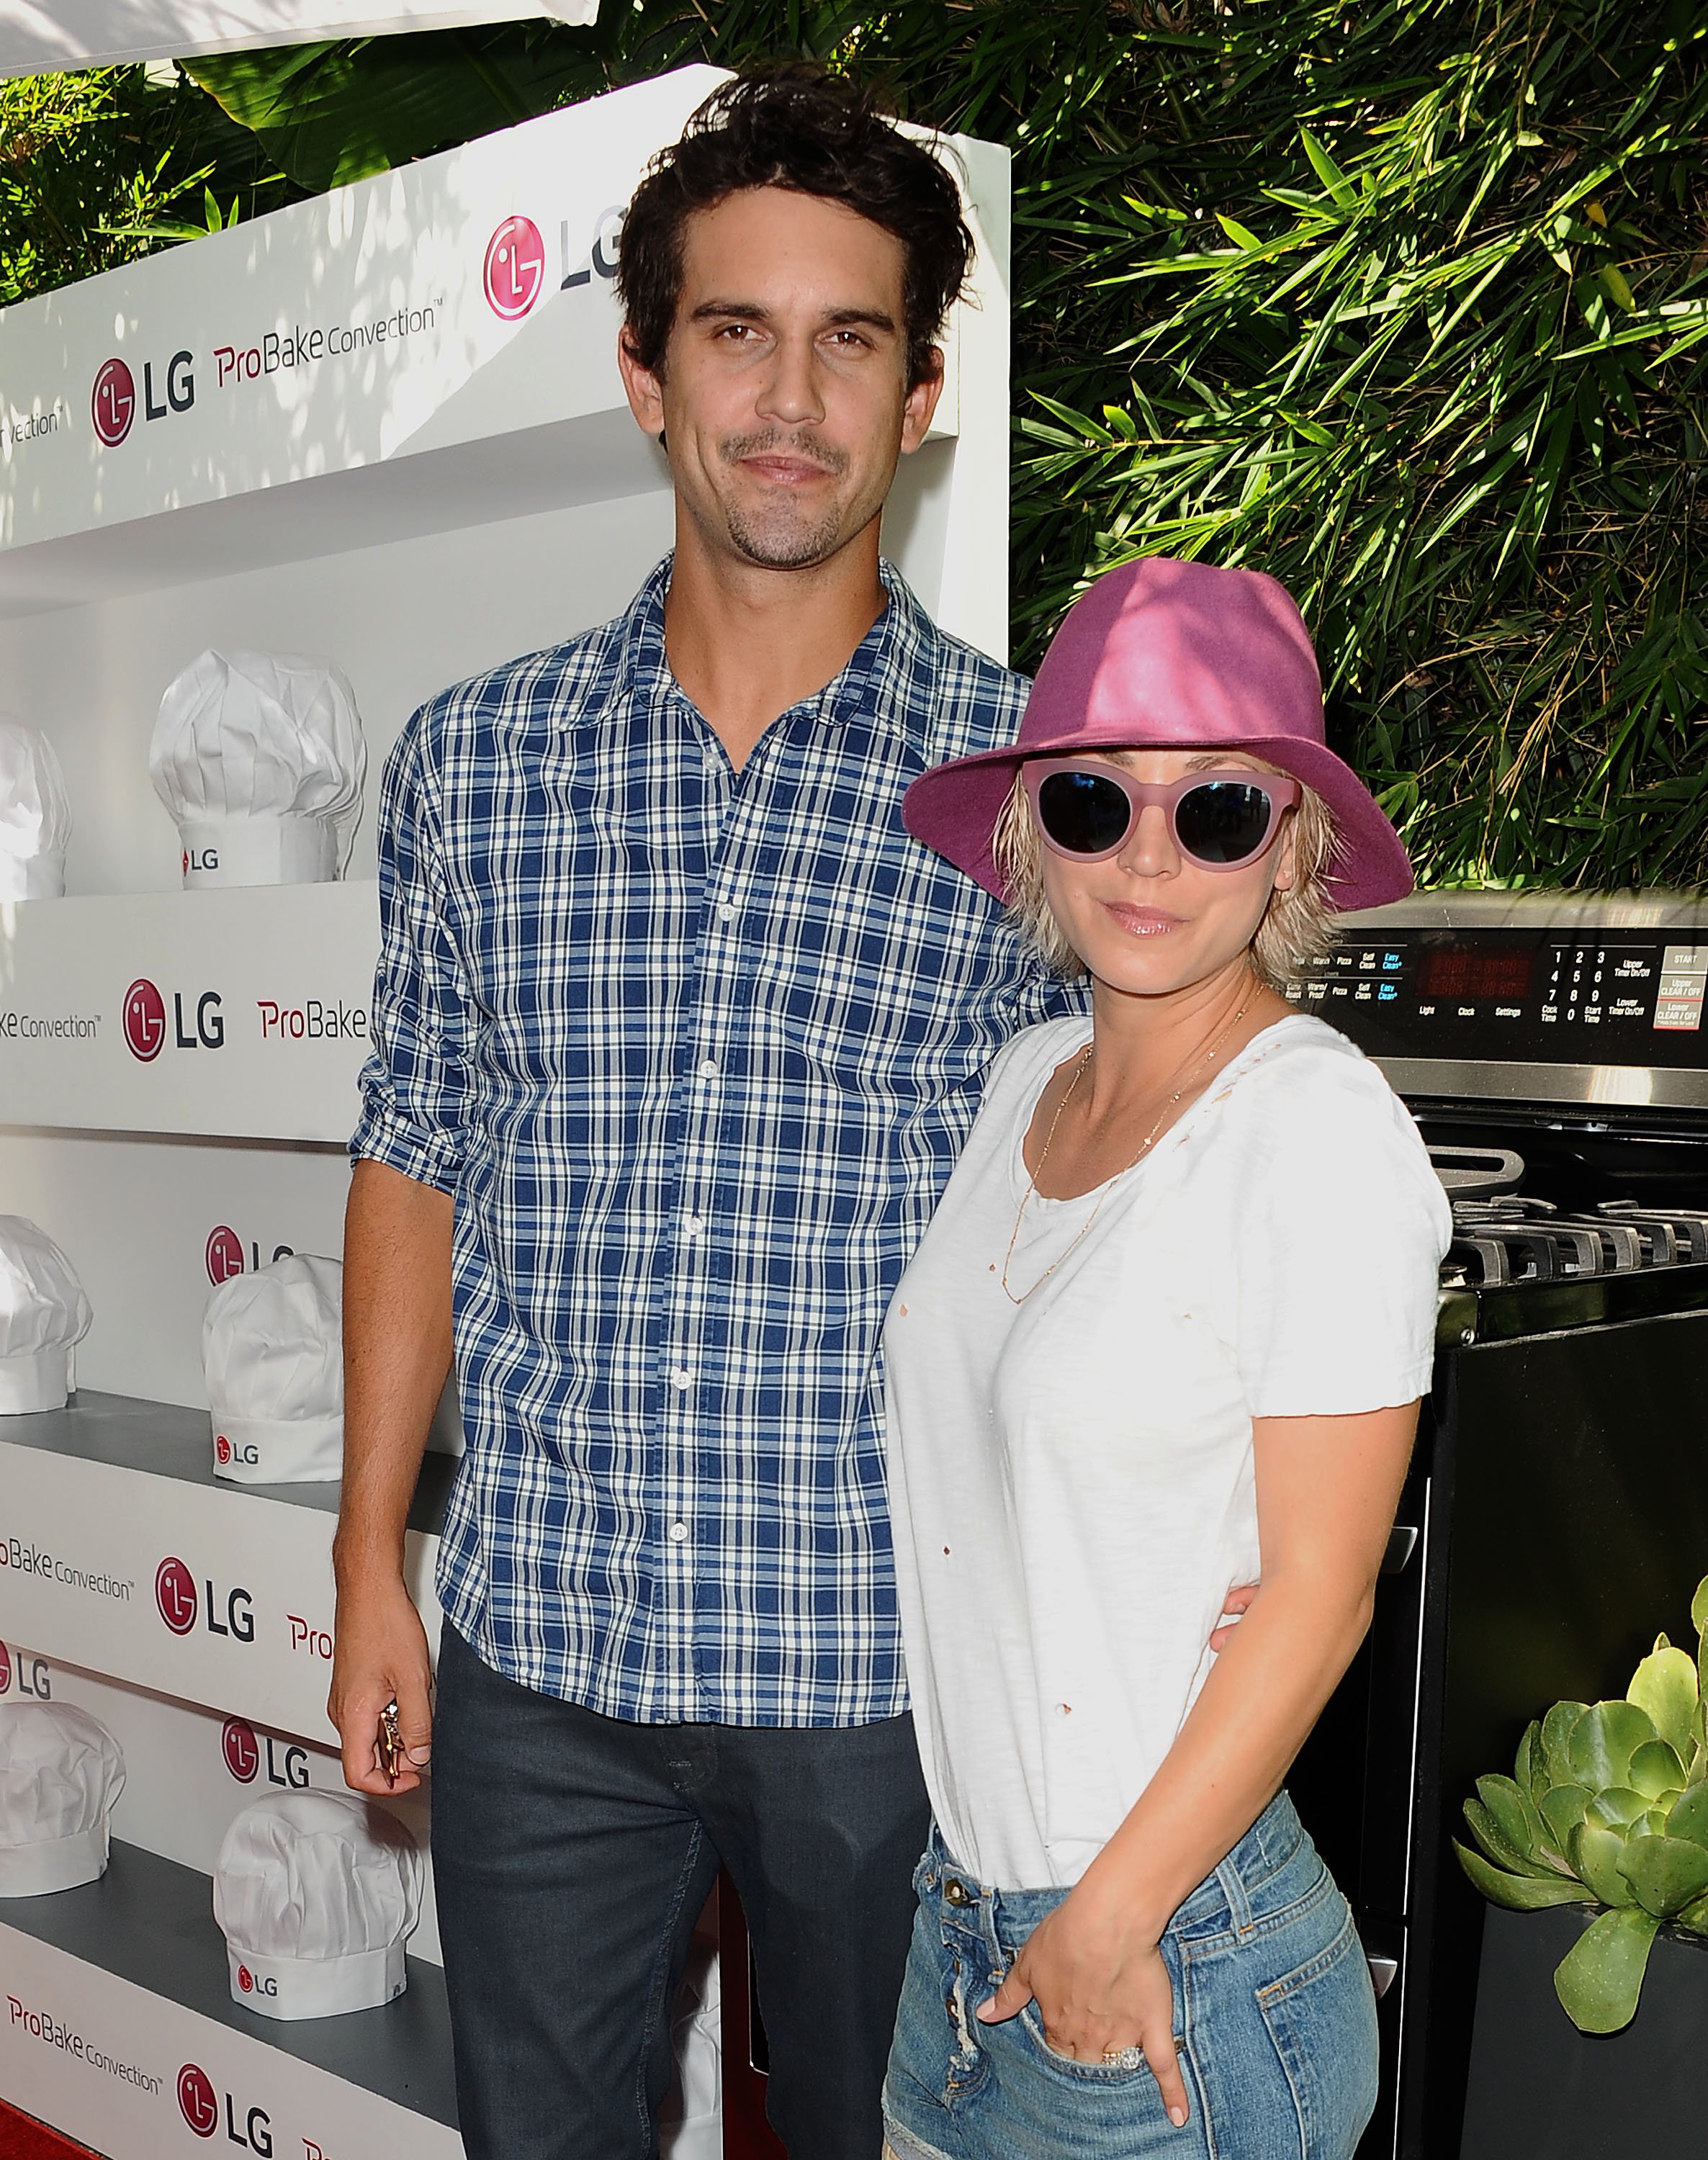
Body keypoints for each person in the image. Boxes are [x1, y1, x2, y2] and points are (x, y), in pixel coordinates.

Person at [328, 66, 1077, 2160]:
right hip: (539, 1658)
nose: (788, 395)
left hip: (888, 1672)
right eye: (733, 330)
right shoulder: (473, 766)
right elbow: (415, 1151)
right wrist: (373, 1559)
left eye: (848, 340)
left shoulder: (1039, 793)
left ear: (919, 398)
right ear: (643, 374)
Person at [879, 555, 1452, 2159]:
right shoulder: (1022, 1079)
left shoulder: (1317, 1131)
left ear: (1291, 850)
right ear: (1024, 825)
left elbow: (1326, 1588)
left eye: (1214, 812)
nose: (1147, 859)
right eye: (1091, 802)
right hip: (965, 1935)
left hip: (1166, 1964)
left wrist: (1104, 1921)